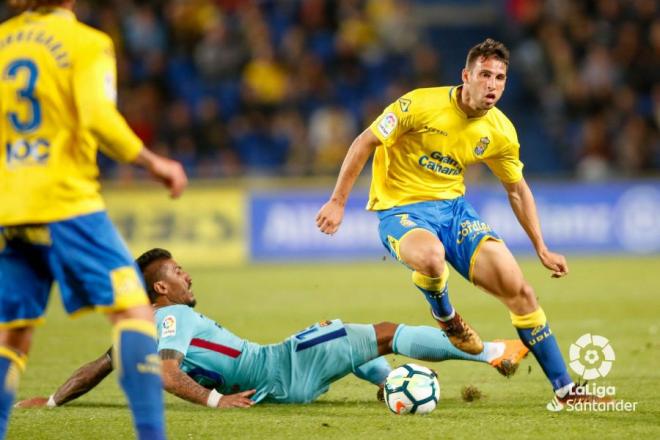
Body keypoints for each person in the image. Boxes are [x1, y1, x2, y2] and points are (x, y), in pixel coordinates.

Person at [316, 38, 600, 409]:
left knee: (522, 292)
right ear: (466, 76)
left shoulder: (500, 131)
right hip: (402, 211)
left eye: (500, 77)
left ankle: (566, 391)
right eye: (485, 74)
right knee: (431, 257)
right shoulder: (418, 104)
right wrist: (338, 202)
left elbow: (517, 190)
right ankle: (446, 316)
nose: (493, 84)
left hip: (454, 213)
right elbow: (364, 141)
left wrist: (541, 247)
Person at [15, 248, 528, 410]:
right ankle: (493, 353)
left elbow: (98, 369)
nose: (186, 274)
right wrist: (218, 402)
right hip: (280, 367)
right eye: (176, 272)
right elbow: (168, 377)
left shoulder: (138, 331)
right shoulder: (169, 318)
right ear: (161, 290)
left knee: (332, 328)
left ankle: (387, 386)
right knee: (388, 331)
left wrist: (54, 401)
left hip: (276, 380)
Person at [0, 2, 188, 438]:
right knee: (135, 314)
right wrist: (154, 162)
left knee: (13, 337)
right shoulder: (87, 43)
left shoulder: (4, 42)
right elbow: (98, 117)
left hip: (10, 208)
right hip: (67, 204)